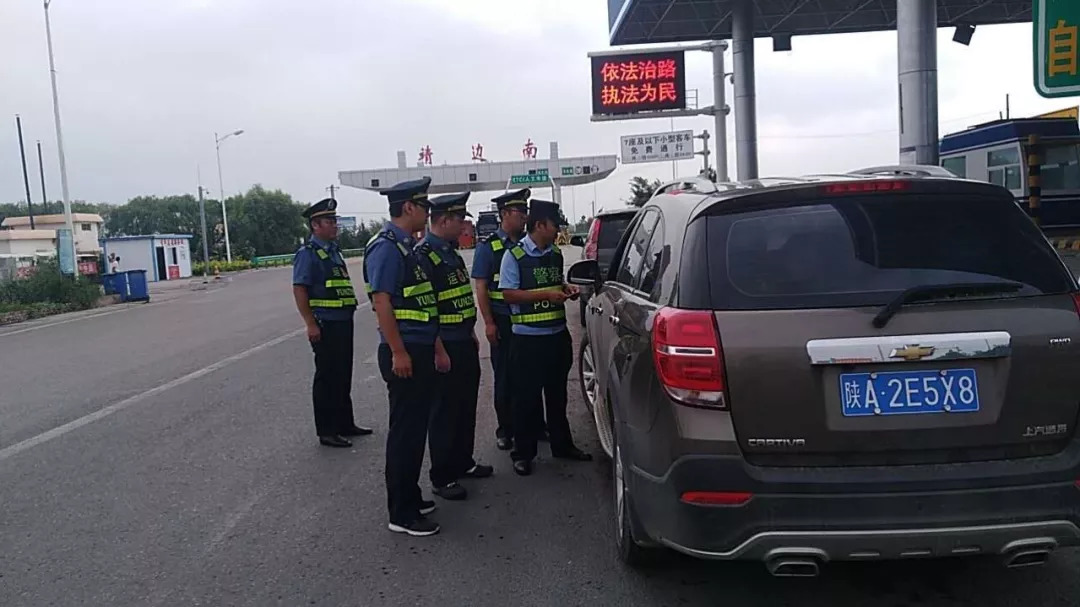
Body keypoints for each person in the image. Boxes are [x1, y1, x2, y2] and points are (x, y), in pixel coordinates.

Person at [363, 176, 450, 537]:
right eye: (424, 207)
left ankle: (411, 496)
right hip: (404, 353)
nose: (427, 214)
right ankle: (401, 512)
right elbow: (380, 301)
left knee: (415, 431)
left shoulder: (407, 247)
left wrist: (435, 346)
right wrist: (398, 351)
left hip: (419, 348)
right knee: (405, 433)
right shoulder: (385, 248)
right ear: (409, 208)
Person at [499, 199, 592, 476]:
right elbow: (508, 293)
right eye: (554, 226)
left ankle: (562, 445)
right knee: (526, 400)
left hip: (556, 337)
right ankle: (523, 453)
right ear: (539, 225)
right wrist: (546, 295)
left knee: (557, 396)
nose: (557, 231)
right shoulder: (513, 256)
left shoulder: (555, 254)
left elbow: (555, 284)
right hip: (527, 341)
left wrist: (567, 288)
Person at [415, 192, 494, 501]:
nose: (464, 226)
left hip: (462, 339)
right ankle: (443, 475)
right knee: (445, 411)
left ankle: (463, 461)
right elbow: (427, 307)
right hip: (444, 343)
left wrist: (470, 332)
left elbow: (458, 297)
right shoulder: (425, 256)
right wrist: (437, 349)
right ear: (444, 220)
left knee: (464, 406)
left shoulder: (450, 252)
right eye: (460, 220)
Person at [292, 197, 373, 449]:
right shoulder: (309, 254)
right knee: (327, 377)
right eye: (329, 221)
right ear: (315, 225)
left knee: (343, 373)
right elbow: (300, 289)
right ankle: (327, 430)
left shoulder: (334, 251)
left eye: (335, 220)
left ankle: (345, 423)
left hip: (342, 321)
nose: (335, 225)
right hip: (325, 323)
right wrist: (310, 323)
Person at [471, 188, 529, 451]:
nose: (525, 217)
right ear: (505, 214)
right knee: (505, 377)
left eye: (526, 212)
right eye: (520, 212)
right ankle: (505, 429)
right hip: (503, 321)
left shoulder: (529, 244)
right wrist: (489, 323)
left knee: (527, 377)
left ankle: (531, 427)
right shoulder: (489, 247)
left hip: (527, 321)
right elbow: (481, 287)